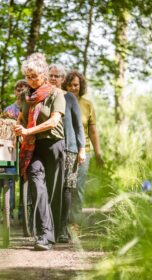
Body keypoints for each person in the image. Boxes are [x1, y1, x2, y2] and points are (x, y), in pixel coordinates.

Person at [15, 53, 66, 251]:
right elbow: (21, 117)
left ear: (44, 74)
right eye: (28, 76)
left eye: (35, 76)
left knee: (52, 192)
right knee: (37, 186)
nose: (31, 80)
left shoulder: (55, 94)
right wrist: (17, 128)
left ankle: (54, 231)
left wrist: (28, 130)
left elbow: (54, 121)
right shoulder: (26, 96)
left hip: (54, 144)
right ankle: (45, 236)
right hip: (33, 147)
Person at [62, 70, 104, 232]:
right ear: (65, 85)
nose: (73, 88)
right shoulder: (62, 101)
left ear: (81, 86)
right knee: (65, 188)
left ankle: (75, 223)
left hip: (83, 151)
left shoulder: (87, 105)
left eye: (76, 85)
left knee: (77, 188)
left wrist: (98, 152)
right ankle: (62, 223)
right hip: (65, 150)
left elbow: (93, 131)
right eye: (70, 85)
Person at [49, 64, 85, 243]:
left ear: (63, 80)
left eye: (57, 76)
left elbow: (79, 126)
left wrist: (82, 149)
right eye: (51, 76)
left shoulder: (70, 98)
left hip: (70, 149)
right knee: (51, 189)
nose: (54, 79)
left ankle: (62, 228)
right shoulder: (45, 97)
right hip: (50, 148)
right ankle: (49, 228)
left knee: (67, 189)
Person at [0, 79, 28, 222]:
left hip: (25, 149)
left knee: (24, 183)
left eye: (24, 89)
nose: (20, 91)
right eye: (18, 89)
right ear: (15, 91)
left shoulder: (30, 107)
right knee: (3, 180)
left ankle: (23, 213)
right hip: (9, 150)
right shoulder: (9, 109)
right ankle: (1, 212)